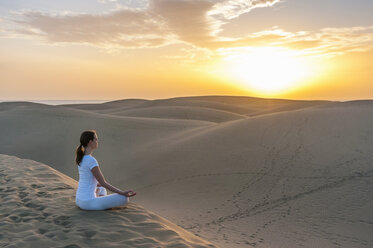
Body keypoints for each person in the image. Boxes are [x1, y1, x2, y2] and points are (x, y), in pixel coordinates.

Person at [75, 130, 136, 210]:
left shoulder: (81, 158)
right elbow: (103, 182)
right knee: (123, 198)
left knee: (101, 189)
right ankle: (100, 202)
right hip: (88, 203)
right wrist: (122, 192)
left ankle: (99, 199)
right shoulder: (91, 160)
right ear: (90, 142)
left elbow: (89, 179)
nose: (97, 141)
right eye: (96, 139)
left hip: (79, 200)